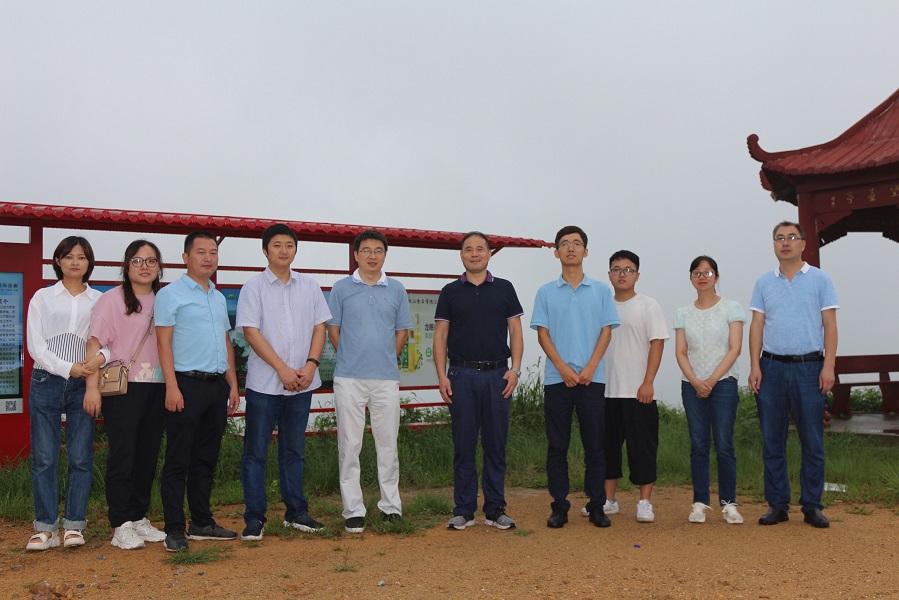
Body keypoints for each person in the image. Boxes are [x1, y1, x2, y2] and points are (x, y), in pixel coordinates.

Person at [236, 224, 331, 541]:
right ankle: (254, 517)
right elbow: (251, 333)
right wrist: (282, 369)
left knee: (294, 451)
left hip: (303, 382)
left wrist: (310, 365)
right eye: (276, 245)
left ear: (295, 250)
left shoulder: (310, 286)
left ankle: (296, 512)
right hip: (265, 384)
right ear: (265, 250)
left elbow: (320, 327)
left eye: (289, 245)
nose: (283, 250)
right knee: (255, 452)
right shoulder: (254, 287)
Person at [748, 221, 838, 529]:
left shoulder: (820, 279)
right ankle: (777, 504)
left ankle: (812, 506)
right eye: (779, 238)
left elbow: (830, 324)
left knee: (812, 439)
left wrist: (829, 366)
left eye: (791, 237)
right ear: (774, 245)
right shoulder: (763, 282)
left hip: (809, 367)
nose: (785, 243)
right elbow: (757, 325)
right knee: (772, 438)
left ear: (803, 244)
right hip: (771, 367)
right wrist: (755, 365)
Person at [155, 230, 241, 551]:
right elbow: (163, 342)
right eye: (201, 252)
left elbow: (226, 342)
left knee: (206, 458)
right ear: (185, 257)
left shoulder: (217, 296)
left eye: (213, 253)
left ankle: (202, 522)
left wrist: (232, 384)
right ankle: (174, 529)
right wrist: (172, 386)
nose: (208, 258)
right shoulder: (170, 294)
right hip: (185, 385)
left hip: (216, 386)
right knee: (178, 459)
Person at [434, 231, 524, 531]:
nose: (474, 254)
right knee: (464, 445)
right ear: (461, 255)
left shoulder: (505, 288)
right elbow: (441, 336)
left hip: (498, 376)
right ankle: (464, 509)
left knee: (496, 444)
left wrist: (515, 369)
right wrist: (442, 376)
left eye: (480, 249)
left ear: (488, 254)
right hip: (461, 376)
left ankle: (495, 509)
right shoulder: (450, 292)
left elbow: (516, 330)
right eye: (469, 249)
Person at [531, 226, 618, 529]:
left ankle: (596, 506)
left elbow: (606, 330)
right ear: (556, 253)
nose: (571, 248)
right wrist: (563, 368)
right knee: (557, 447)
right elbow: (543, 334)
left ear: (586, 251)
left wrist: (592, 366)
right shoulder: (545, 292)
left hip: (592, 379)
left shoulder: (601, 291)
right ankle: (559, 506)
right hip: (558, 380)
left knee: (595, 446)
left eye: (577, 243)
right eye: (565, 244)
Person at [84, 240, 168, 550]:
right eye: (137, 260)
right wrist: (91, 387)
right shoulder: (111, 300)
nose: (144, 266)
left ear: (159, 267)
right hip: (123, 387)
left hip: (158, 386)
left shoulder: (164, 300)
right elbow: (94, 344)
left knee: (147, 454)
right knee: (123, 454)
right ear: (126, 265)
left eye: (151, 261)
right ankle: (120, 524)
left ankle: (138, 517)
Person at [327, 230, 412, 534]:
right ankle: (353, 510)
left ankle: (391, 507)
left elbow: (402, 331)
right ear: (356, 255)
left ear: (385, 255)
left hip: (386, 378)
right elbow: (333, 329)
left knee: (387, 444)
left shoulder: (397, 289)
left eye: (378, 250)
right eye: (366, 250)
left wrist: (387, 357)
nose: (372, 256)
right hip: (348, 378)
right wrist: (350, 356)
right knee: (350, 444)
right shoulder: (341, 288)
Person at [25, 236, 105, 551]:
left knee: (81, 457)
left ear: (89, 263)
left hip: (84, 382)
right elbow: (35, 344)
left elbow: (109, 340)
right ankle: (45, 528)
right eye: (69, 256)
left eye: (81, 257)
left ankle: (73, 525)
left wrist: (97, 360)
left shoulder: (99, 300)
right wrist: (66, 367)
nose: (75, 262)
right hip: (47, 379)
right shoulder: (43, 297)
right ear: (58, 261)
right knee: (44, 458)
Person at [673, 255, 747, 525]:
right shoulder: (683, 313)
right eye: (696, 272)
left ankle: (729, 504)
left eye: (707, 272)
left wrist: (712, 380)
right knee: (698, 444)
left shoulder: (731, 308)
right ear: (691, 278)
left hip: (723, 383)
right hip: (692, 385)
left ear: (716, 276)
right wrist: (695, 381)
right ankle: (700, 503)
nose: (702, 277)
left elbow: (735, 348)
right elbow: (681, 352)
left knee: (724, 445)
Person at [603, 250, 668, 523]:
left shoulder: (647, 305)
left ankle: (644, 502)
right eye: (617, 269)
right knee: (606, 449)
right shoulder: (602, 304)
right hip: (605, 390)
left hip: (638, 391)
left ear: (637, 275)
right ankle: (608, 501)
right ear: (609, 274)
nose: (622, 274)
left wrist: (648, 382)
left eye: (628, 270)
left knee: (643, 449)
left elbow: (657, 343)